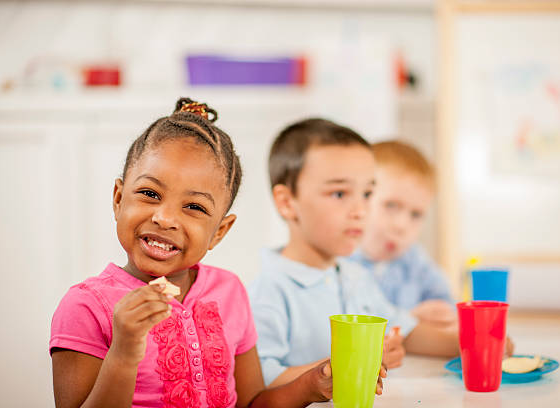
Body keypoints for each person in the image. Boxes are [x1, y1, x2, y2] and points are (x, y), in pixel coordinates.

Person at [49, 99, 342, 408]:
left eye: (194, 207)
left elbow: (253, 403)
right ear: (119, 199)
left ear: (219, 231)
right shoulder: (85, 307)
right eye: (150, 193)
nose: (165, 218)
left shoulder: (229, 291)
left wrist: (311, 386)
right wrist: (123, 354)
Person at [248, 119, 461, 389]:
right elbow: (259, 380)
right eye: (339, 193)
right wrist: (354, 362)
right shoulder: (269, 291)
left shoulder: (356, 278)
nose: (361, 211)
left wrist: (470, 344)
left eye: (367, 193)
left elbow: (405, 330)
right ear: (287, 203)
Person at [349, 140, 456, 326]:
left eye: (416, 215)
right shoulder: (341, 261)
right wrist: (408, 320)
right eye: (391, 205)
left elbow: (447, 305)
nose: (401, 226)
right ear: (361, 199)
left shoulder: (415, 261)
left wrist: (441, 315)